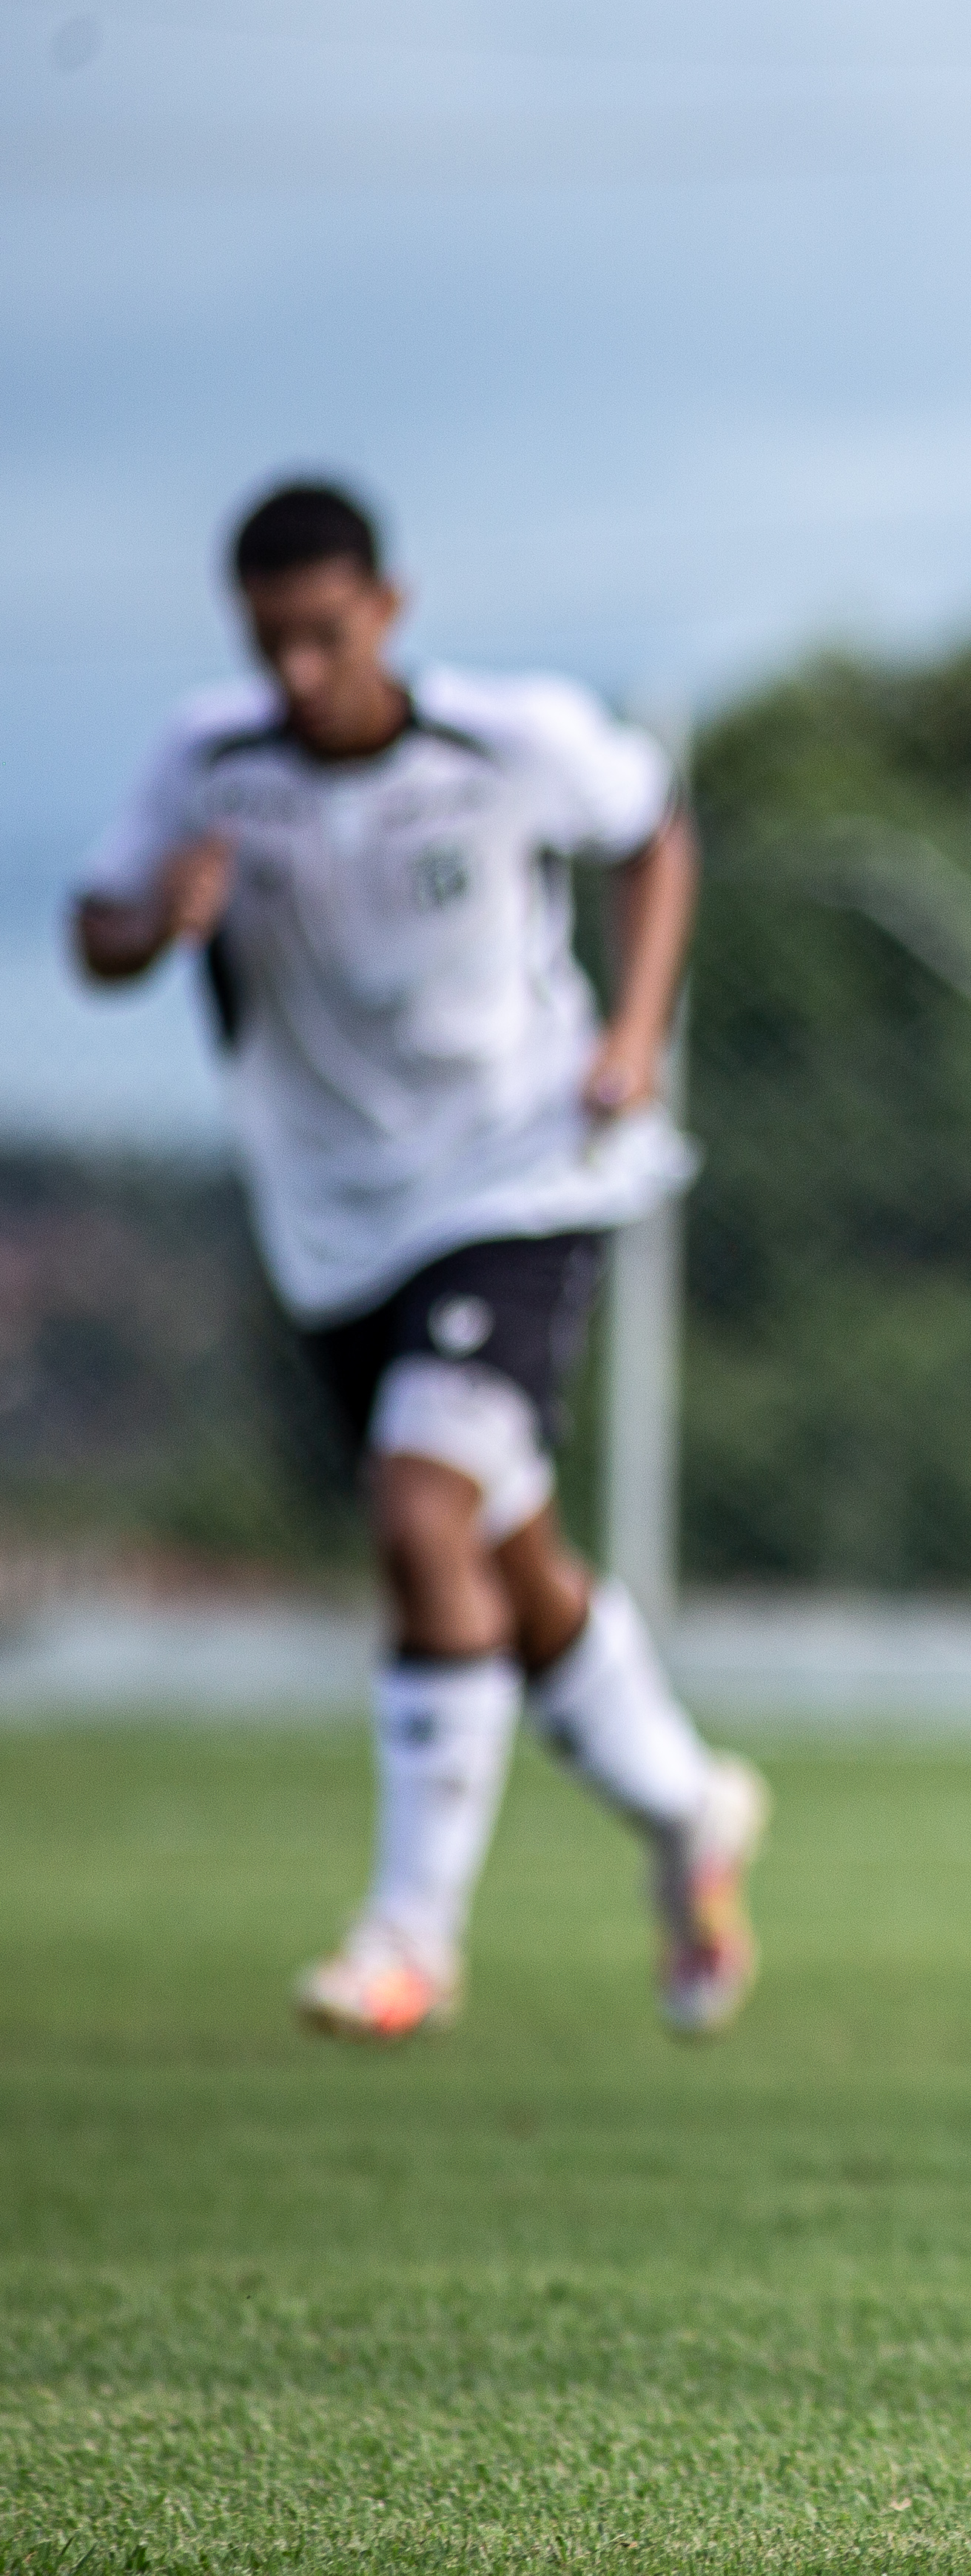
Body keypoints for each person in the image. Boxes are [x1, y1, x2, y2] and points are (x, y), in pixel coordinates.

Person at [70, 479, 764, 2044]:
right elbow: (95, 935)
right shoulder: (207, 765)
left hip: (520, 1180)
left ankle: (410, 1941)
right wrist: (153, 922)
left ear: (387, 607)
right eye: (272, 645)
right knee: (499, 1567)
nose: (301, 674)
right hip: (331, 1223)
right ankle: (687, 1814)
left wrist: (638, 1032)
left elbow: (654, 833)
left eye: (325, 636)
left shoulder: (506, 739)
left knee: (415, 1505)